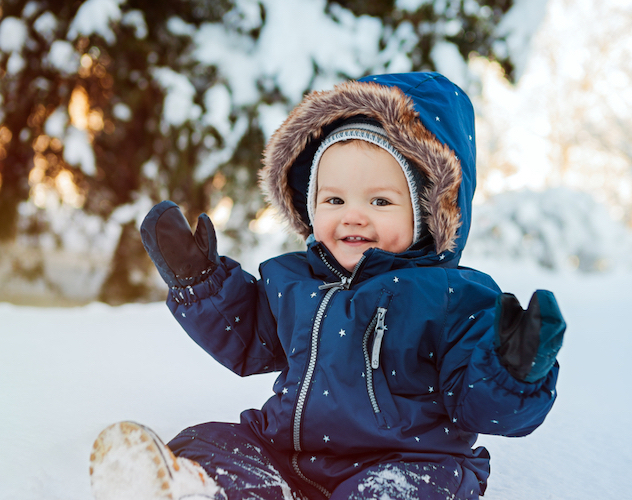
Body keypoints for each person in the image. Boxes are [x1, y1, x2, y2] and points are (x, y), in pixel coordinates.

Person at [90, 72, 566, 500]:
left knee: (399, 493)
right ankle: (193, 487)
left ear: (427, 212)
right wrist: (202, 281)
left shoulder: (451, 296)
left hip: (408, 463)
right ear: (310, 208)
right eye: (334, 198)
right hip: (287, 452)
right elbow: (247, 337)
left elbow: (481, 408)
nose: (352, 215)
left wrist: (513, 371)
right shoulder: (292, 277)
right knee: (209, 442)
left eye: (380, 201)